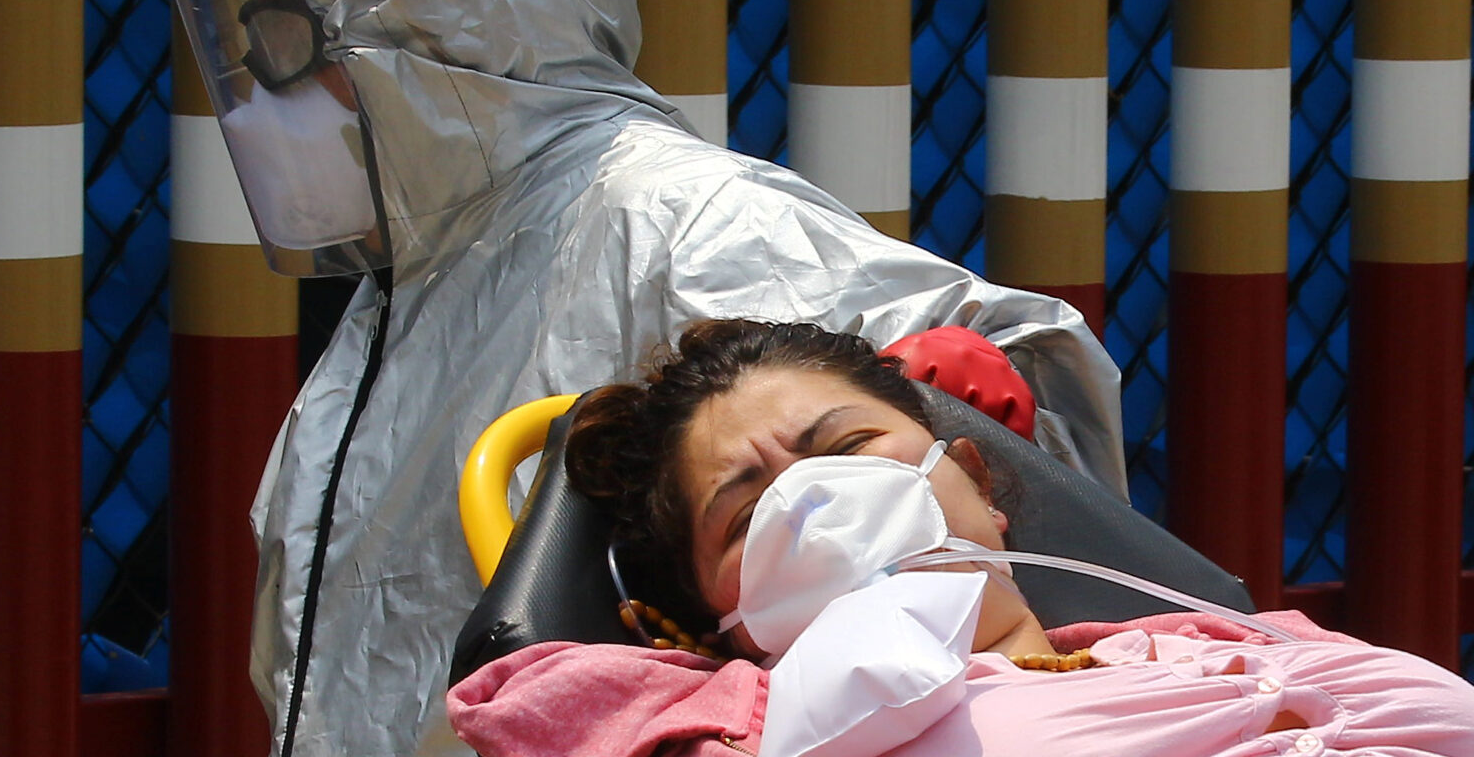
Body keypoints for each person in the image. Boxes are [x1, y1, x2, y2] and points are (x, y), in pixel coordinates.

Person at [152, 0, 1127, 754]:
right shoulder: (405, 299)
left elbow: (1020, 463)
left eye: (290, 36)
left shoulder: (678, 220)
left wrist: (975, 379)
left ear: (450, 12)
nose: (272, 93)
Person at [446, 319, 1474, 757]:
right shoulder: (752, 722)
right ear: (730, 617)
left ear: (978, 483)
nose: (816, 500)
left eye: (846, 447)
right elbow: (534, 707)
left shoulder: (1219, 643)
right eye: (748, 512)